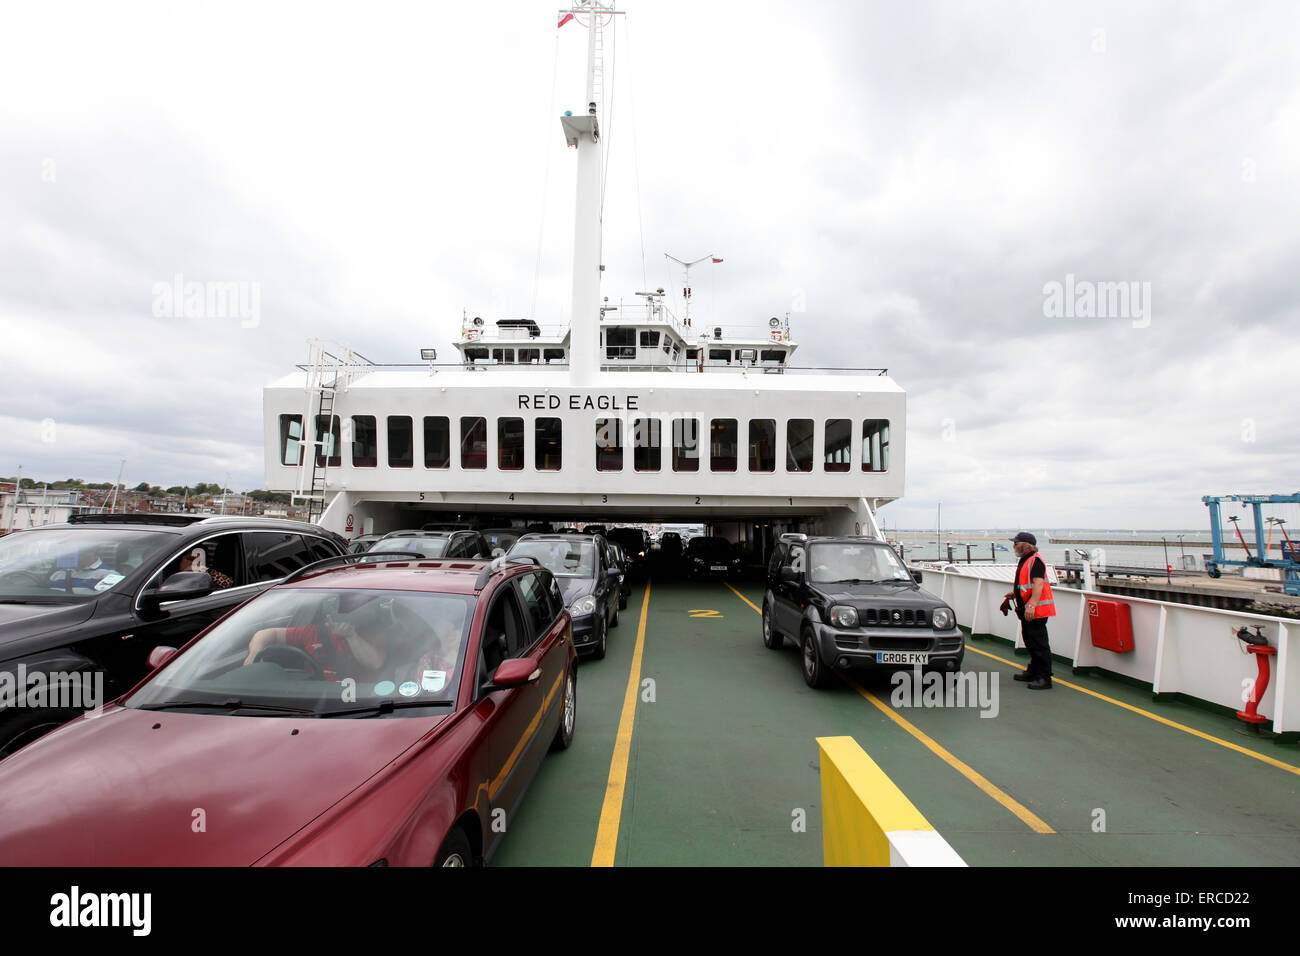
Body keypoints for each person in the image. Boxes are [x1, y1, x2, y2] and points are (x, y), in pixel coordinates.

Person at [1002, 531, 1055, 689]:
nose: (1014, 546)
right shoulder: (1025, 560)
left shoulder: (1035, 561)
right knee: (1030, 641)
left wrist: (1031, 605)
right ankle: (1034, 671)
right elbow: (1025, 584)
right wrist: (1015, 594)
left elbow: (1038, 584)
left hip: (1036, 610)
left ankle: (1045, 677)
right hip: (1027, 608)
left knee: (1039, 643)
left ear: (1026, 545)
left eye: (1016, 543)